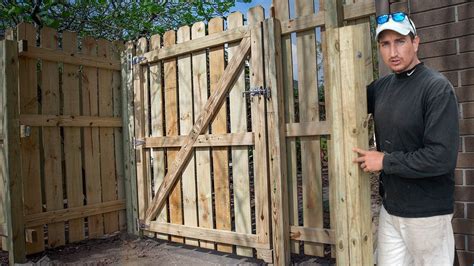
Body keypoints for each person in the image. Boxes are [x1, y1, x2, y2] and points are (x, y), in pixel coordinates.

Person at [352, 12, 459, 266]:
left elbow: (441, 157)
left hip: (427, 215)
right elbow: (346, 102)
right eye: (385, 44)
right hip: (391, 212)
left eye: (400, 41)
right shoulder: (381, 88)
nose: (392, 52)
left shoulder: (436, 88)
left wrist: (385, 162)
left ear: (416, 42)